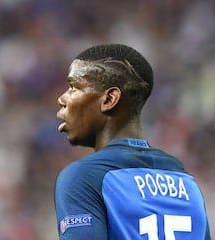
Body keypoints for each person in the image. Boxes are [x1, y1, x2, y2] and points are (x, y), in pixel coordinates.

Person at [55, 43, 212, 239]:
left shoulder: (84, 177)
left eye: (73, 87)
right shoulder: (185, 180)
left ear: (109, 99)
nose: (62, 98)